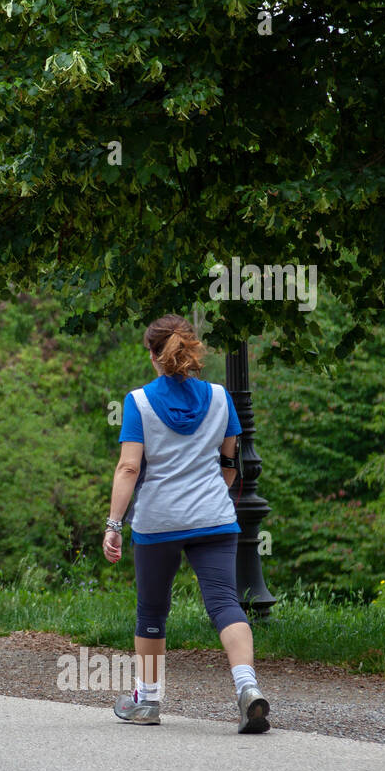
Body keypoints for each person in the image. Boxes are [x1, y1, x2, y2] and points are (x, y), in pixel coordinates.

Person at [103, 314, 270, 734]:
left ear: (153, 355)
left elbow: (128, 468)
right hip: (214, 517)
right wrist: (214, 494)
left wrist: (113, 524)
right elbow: (231, 462)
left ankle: (149, 701)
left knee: (153, 609)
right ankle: (247, 689)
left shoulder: (138, 401)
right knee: (225, 603)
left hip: (159, 522)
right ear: (190, 348)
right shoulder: (219, 397)